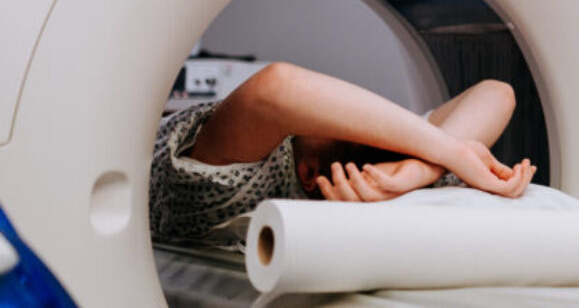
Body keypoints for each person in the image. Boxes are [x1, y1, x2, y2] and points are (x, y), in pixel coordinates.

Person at [150, 61, 536, 246]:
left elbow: (278, 87)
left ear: (307, 171)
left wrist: (421, 165)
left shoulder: (236, 186)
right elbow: (498, 92)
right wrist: (427, 165)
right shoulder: (397, 165)